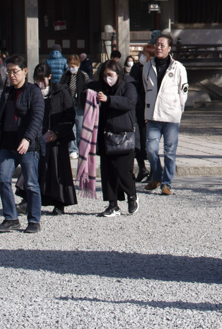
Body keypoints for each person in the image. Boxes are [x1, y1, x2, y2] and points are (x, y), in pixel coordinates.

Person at [0, 55, 44, 233]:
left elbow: (37, 118)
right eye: (9, 72)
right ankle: (11, 218)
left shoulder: (33, 91)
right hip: (7, 144)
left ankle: (34, 220)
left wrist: (28, 138)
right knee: (3, 179)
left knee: (30, 183)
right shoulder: (6, 93)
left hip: (28, 145)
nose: (12, 75)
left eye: (15, 71)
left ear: (25, 71)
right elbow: (1, 120)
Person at [84, 59, 138, 218]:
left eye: (111, 74)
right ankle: (112, 204)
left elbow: (130, 102)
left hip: (123, 135)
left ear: (118, 74)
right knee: (107, 172)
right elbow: (85, 91)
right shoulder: (100, 87)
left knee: (122, 170)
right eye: (105, 75)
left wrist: (109, 100)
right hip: (105, 134)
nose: (108, 78)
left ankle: (132, 195)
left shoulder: (128, 85)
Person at [143, 32, 188, 195]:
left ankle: (166, 182)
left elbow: (184, 91)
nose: (158, 47)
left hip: (171, 116)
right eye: (157, 44)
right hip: (153, 115)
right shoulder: (147, 66)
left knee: (170, 151)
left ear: (169, 48)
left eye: (162, 45)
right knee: (151, 149)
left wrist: (178, 111)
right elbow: (145, 88)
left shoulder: (178, 68)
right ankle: (156, 175)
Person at [31, 63, 78, 215]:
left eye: (42, 79)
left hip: (57, 137)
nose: (39, 83)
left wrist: (56, 132)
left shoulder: (61, 91)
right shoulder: (33, 92)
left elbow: (69, 115)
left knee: (58, 171)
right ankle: (28, 200)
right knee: (33, 169)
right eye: (36, 80)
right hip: (38, 136)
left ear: (49, 77)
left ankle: (59, 202)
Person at [130, 44, 155, 183]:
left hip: (148, 108)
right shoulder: (136, 68)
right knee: (137, 140)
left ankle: (153, 169)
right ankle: (141, 168)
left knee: (148, 142)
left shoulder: (151, 69)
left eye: (144, 54)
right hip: (136, 107)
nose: (141, 56)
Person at [59, 54, 88, 159]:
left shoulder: (84, 75)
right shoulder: (65, 76)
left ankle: (82, 148)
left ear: (78, 65)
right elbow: (61, 88)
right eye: (70, 66)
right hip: (68, 105)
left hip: (80, 104)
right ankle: (73, 149)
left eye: (74, 66)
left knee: (80, 128)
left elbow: (88, 87)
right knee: (72, 128)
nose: (72, 68)